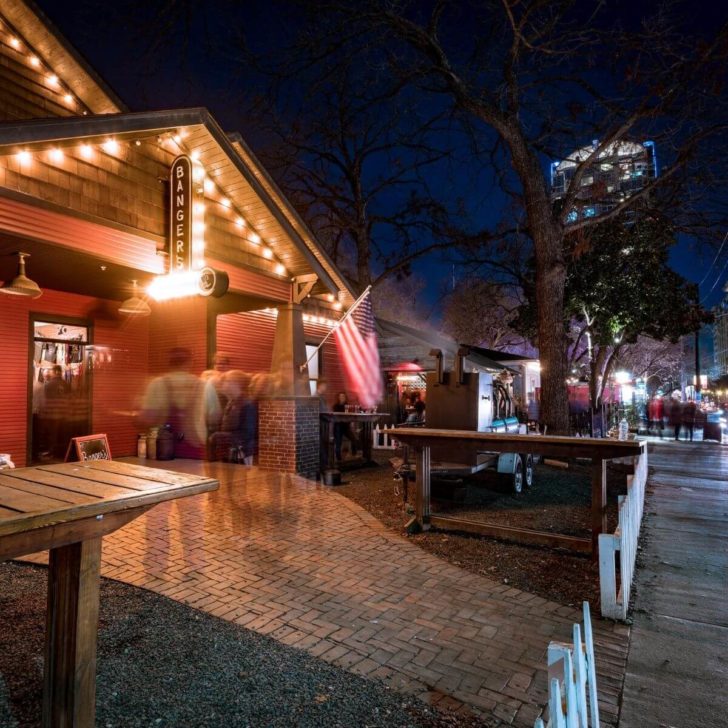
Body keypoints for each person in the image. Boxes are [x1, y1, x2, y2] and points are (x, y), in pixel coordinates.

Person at [141, 348, 221, 458]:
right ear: (190, 362)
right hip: (195, 447)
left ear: (168, 363)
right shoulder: (203, 385)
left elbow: (148, 418)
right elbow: (215, 416)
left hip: (163, 449)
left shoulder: (157, 384)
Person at [333, 391, 359, 460]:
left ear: (345, 398)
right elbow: (336, 417)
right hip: (338, 426)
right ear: (338, 398)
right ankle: (338, 459)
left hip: (345, 426)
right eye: (341, 396)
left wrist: (351, 422)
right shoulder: (336, 406)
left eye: (343, 396)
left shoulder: (347, 405)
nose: (342, 398)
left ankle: (354, 454)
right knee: (338, 442)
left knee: (354, 439)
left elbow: (349, 416)